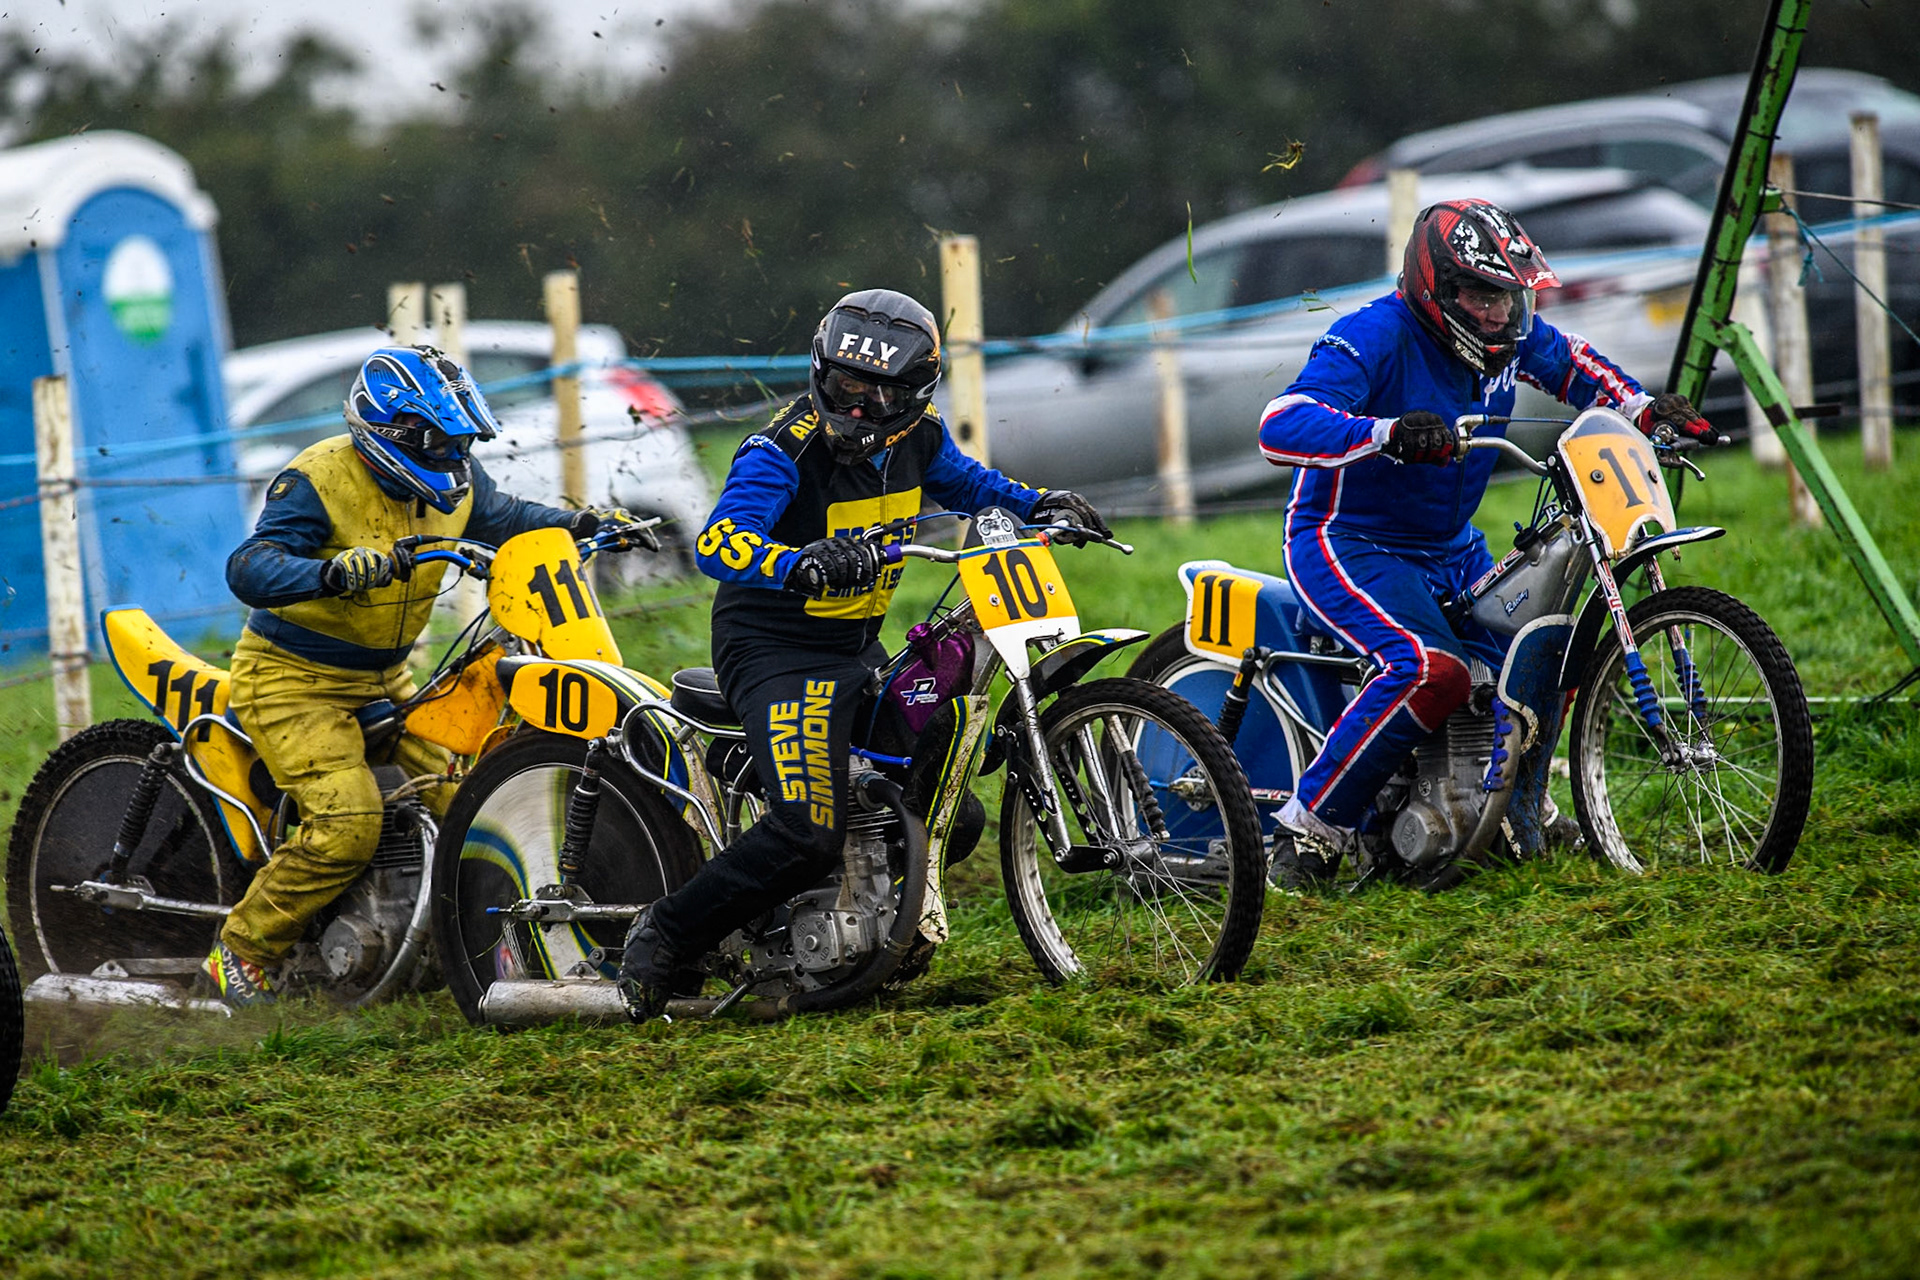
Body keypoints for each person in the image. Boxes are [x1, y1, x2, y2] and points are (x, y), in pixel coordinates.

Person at [617, 288, 1108, 1019]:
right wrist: (799, 561)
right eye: (849, 385)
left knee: (953, 815)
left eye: (883, 392)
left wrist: (1040, 505)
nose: (861, 407)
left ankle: (851, 931)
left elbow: (972, 486)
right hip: (773, 649)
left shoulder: (923, 435)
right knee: (808, 832)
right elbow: (720, 540)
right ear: (823, 370)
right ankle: (662, 935)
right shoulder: (777, 449)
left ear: (917, 393)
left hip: (854, 645)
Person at [1255, 198, 1723, 884]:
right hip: (1347, 540)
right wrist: (1385, 434)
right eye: (1481, 294)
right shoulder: (1372, 335)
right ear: (1435, 287)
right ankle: (1310, 833)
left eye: (1510, 295)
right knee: (1430, 670)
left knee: (1543, 651)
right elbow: (1281, 423)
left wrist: (1643, 409)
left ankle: (1509, 813)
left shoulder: (1508, 333)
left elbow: (1574, 364)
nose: (1501, 312)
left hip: (1451, 545)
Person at [204, 345, 649, 1005]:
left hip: (388, 680)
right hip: (292, 681)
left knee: (469, 806)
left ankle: (441, 944)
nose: (453, 457)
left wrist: (585, 525)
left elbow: (511, 522)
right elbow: (249, 566)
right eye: (440, 442)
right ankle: (240, 950)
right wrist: (329, 571)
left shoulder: (459, 484)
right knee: (347, 823)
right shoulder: (316, 479)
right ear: (390, 431)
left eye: (460, 443)